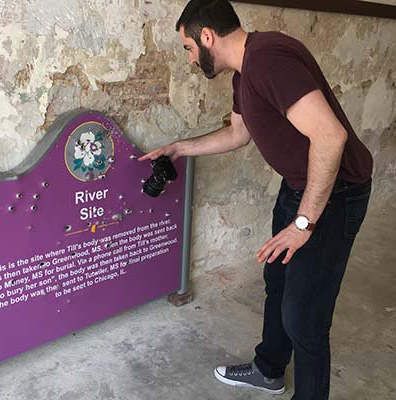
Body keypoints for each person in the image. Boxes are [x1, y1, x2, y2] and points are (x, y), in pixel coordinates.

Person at [139, 1, 373, 399]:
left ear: (207, 36)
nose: (191, 59)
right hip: (299, 186)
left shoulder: (269, 60)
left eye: (188, 48)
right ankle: (269, 371)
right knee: (278, 282)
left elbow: (331, 137)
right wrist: (180, 148)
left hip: (336, 194)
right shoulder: (244, 73)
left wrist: (303, 225)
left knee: (304, 317)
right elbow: (237, 135)